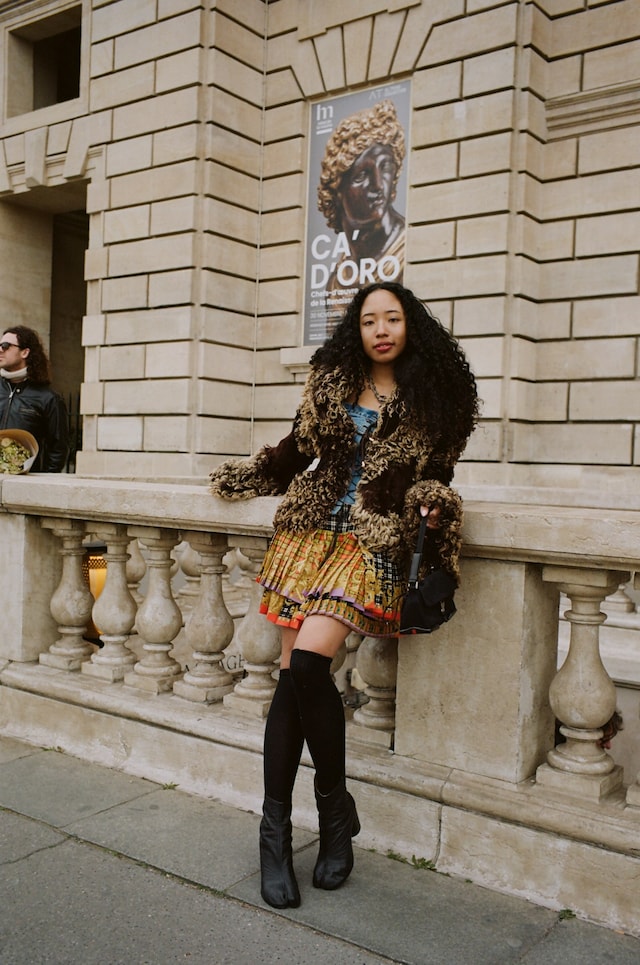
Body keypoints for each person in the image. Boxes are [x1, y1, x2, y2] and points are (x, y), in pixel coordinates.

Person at [209, 282, 479, 909]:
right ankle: (275, 836)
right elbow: (297, 449)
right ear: (354, 331)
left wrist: (433, 507)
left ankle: (334, 810)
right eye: (368, 320)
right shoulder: (330, 381)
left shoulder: (438, 398)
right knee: (289, 680)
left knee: (308, 663)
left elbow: (436, 475)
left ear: (411, 325)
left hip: (369, 539)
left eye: (392, 318)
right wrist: (246, 476)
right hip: (308, 531)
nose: (380, 329)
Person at [317, 100, 406, 325]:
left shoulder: (405, 254)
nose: (378, 186)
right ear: (337, 191)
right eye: (362, 175)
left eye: (385, 167)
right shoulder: (339, 279)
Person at [0, 325, 69, 472]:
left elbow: (58, 449)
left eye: (6, 346)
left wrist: (42, 484)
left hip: (23, 485)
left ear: (25, 352)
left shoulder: (48, 399)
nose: (0, 349)